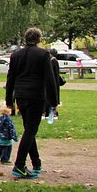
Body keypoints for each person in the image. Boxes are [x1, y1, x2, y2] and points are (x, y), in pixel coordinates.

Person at [6, 27, 58, 179]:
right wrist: (53, 102)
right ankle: (19, 165)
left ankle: (36, 163)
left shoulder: (16, 55)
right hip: (36, 95)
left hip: (21, 95)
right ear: (39, 39)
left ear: (25, 38)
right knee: (31, 130)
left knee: (29, 129)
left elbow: (11, 78)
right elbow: (50, 79)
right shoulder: (43, 54)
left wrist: (9, 99)